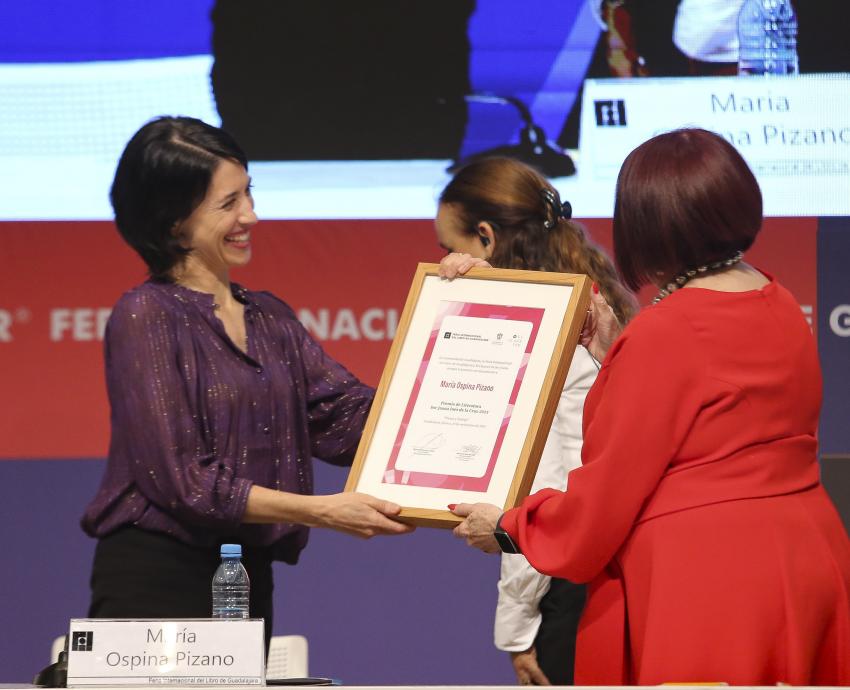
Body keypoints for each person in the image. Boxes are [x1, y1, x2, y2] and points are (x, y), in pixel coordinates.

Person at [449, 129, 850, 684]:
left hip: (711, 578)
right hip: (805, 557)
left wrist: (510, 526)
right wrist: (616, 352)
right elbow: (710, 422)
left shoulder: (666, 331)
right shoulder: (778, 300)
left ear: (643, 221)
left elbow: (604, 501)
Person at [80, 116, 411, 643]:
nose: (251, 216)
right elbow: (185, 482)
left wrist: (459, 336)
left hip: (243, 578)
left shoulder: (270, 318)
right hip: (158, 580)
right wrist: (322, 511)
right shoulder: (146, 316)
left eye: (249, 193)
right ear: (173, 222)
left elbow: (347, 420)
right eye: (228, 203)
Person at [436, 157, 637, 685]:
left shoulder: (543, 330)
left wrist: (518, 629)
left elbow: (546, 490)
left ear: (484, 236)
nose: (447, 262)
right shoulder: (594, 300)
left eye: (447, 247)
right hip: (612, 576)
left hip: (570, 588)